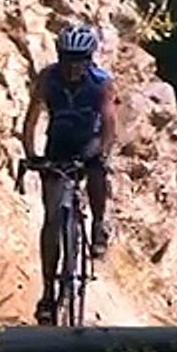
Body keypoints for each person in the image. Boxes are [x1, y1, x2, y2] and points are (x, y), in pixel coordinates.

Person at [20, 24, 117, 325]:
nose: (74, 66)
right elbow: (32, 118)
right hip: (58, 143)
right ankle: (49, 293)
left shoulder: (101, 82)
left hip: (89, 139)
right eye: (68, 58)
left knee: (97, 169)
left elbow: (110, 123)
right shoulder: (48, 79)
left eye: (80, 59)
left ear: (90, 59)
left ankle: (98, 224)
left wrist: (102, 149)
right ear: (59, 56)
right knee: (51, 218)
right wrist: (31, 154)